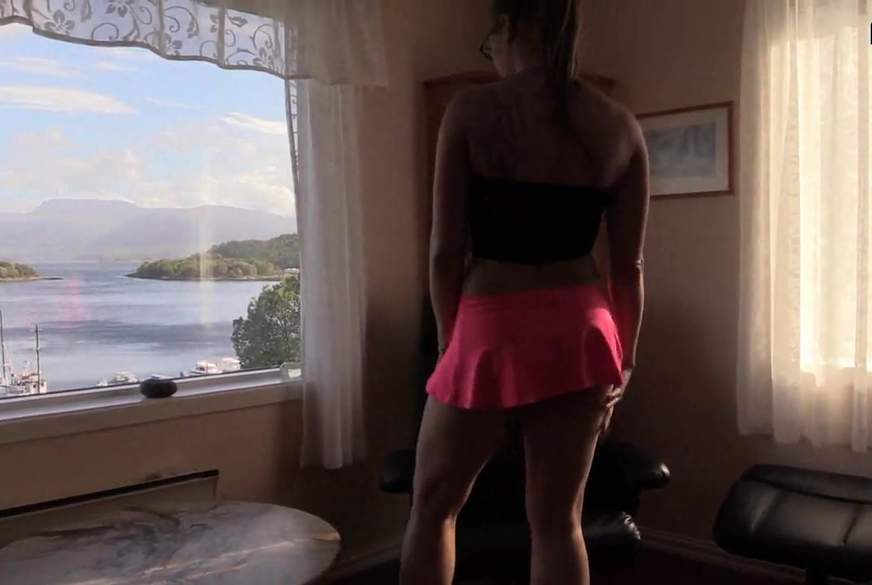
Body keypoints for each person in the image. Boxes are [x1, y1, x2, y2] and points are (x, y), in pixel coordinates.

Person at [398, 1, 649, 584]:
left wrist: (449, 346)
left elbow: (444, 253)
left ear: (507, 27)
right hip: (583, 331)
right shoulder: (619, 125)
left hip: (491, 325)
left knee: (434, 507)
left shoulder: (471, 109)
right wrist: (627, 360)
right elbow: (629, 267)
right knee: (560, 523)